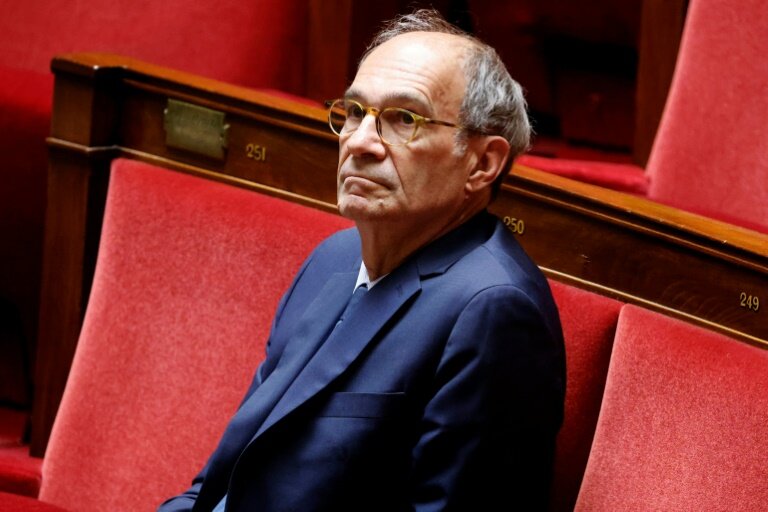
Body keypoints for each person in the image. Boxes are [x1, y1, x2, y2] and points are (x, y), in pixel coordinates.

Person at [159, 9, 565, 512]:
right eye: (354, 112)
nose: (360, 142)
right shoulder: (335, 257)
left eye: (403, 119)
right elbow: (228, 476)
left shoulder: (493, 312)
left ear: (482, 163)